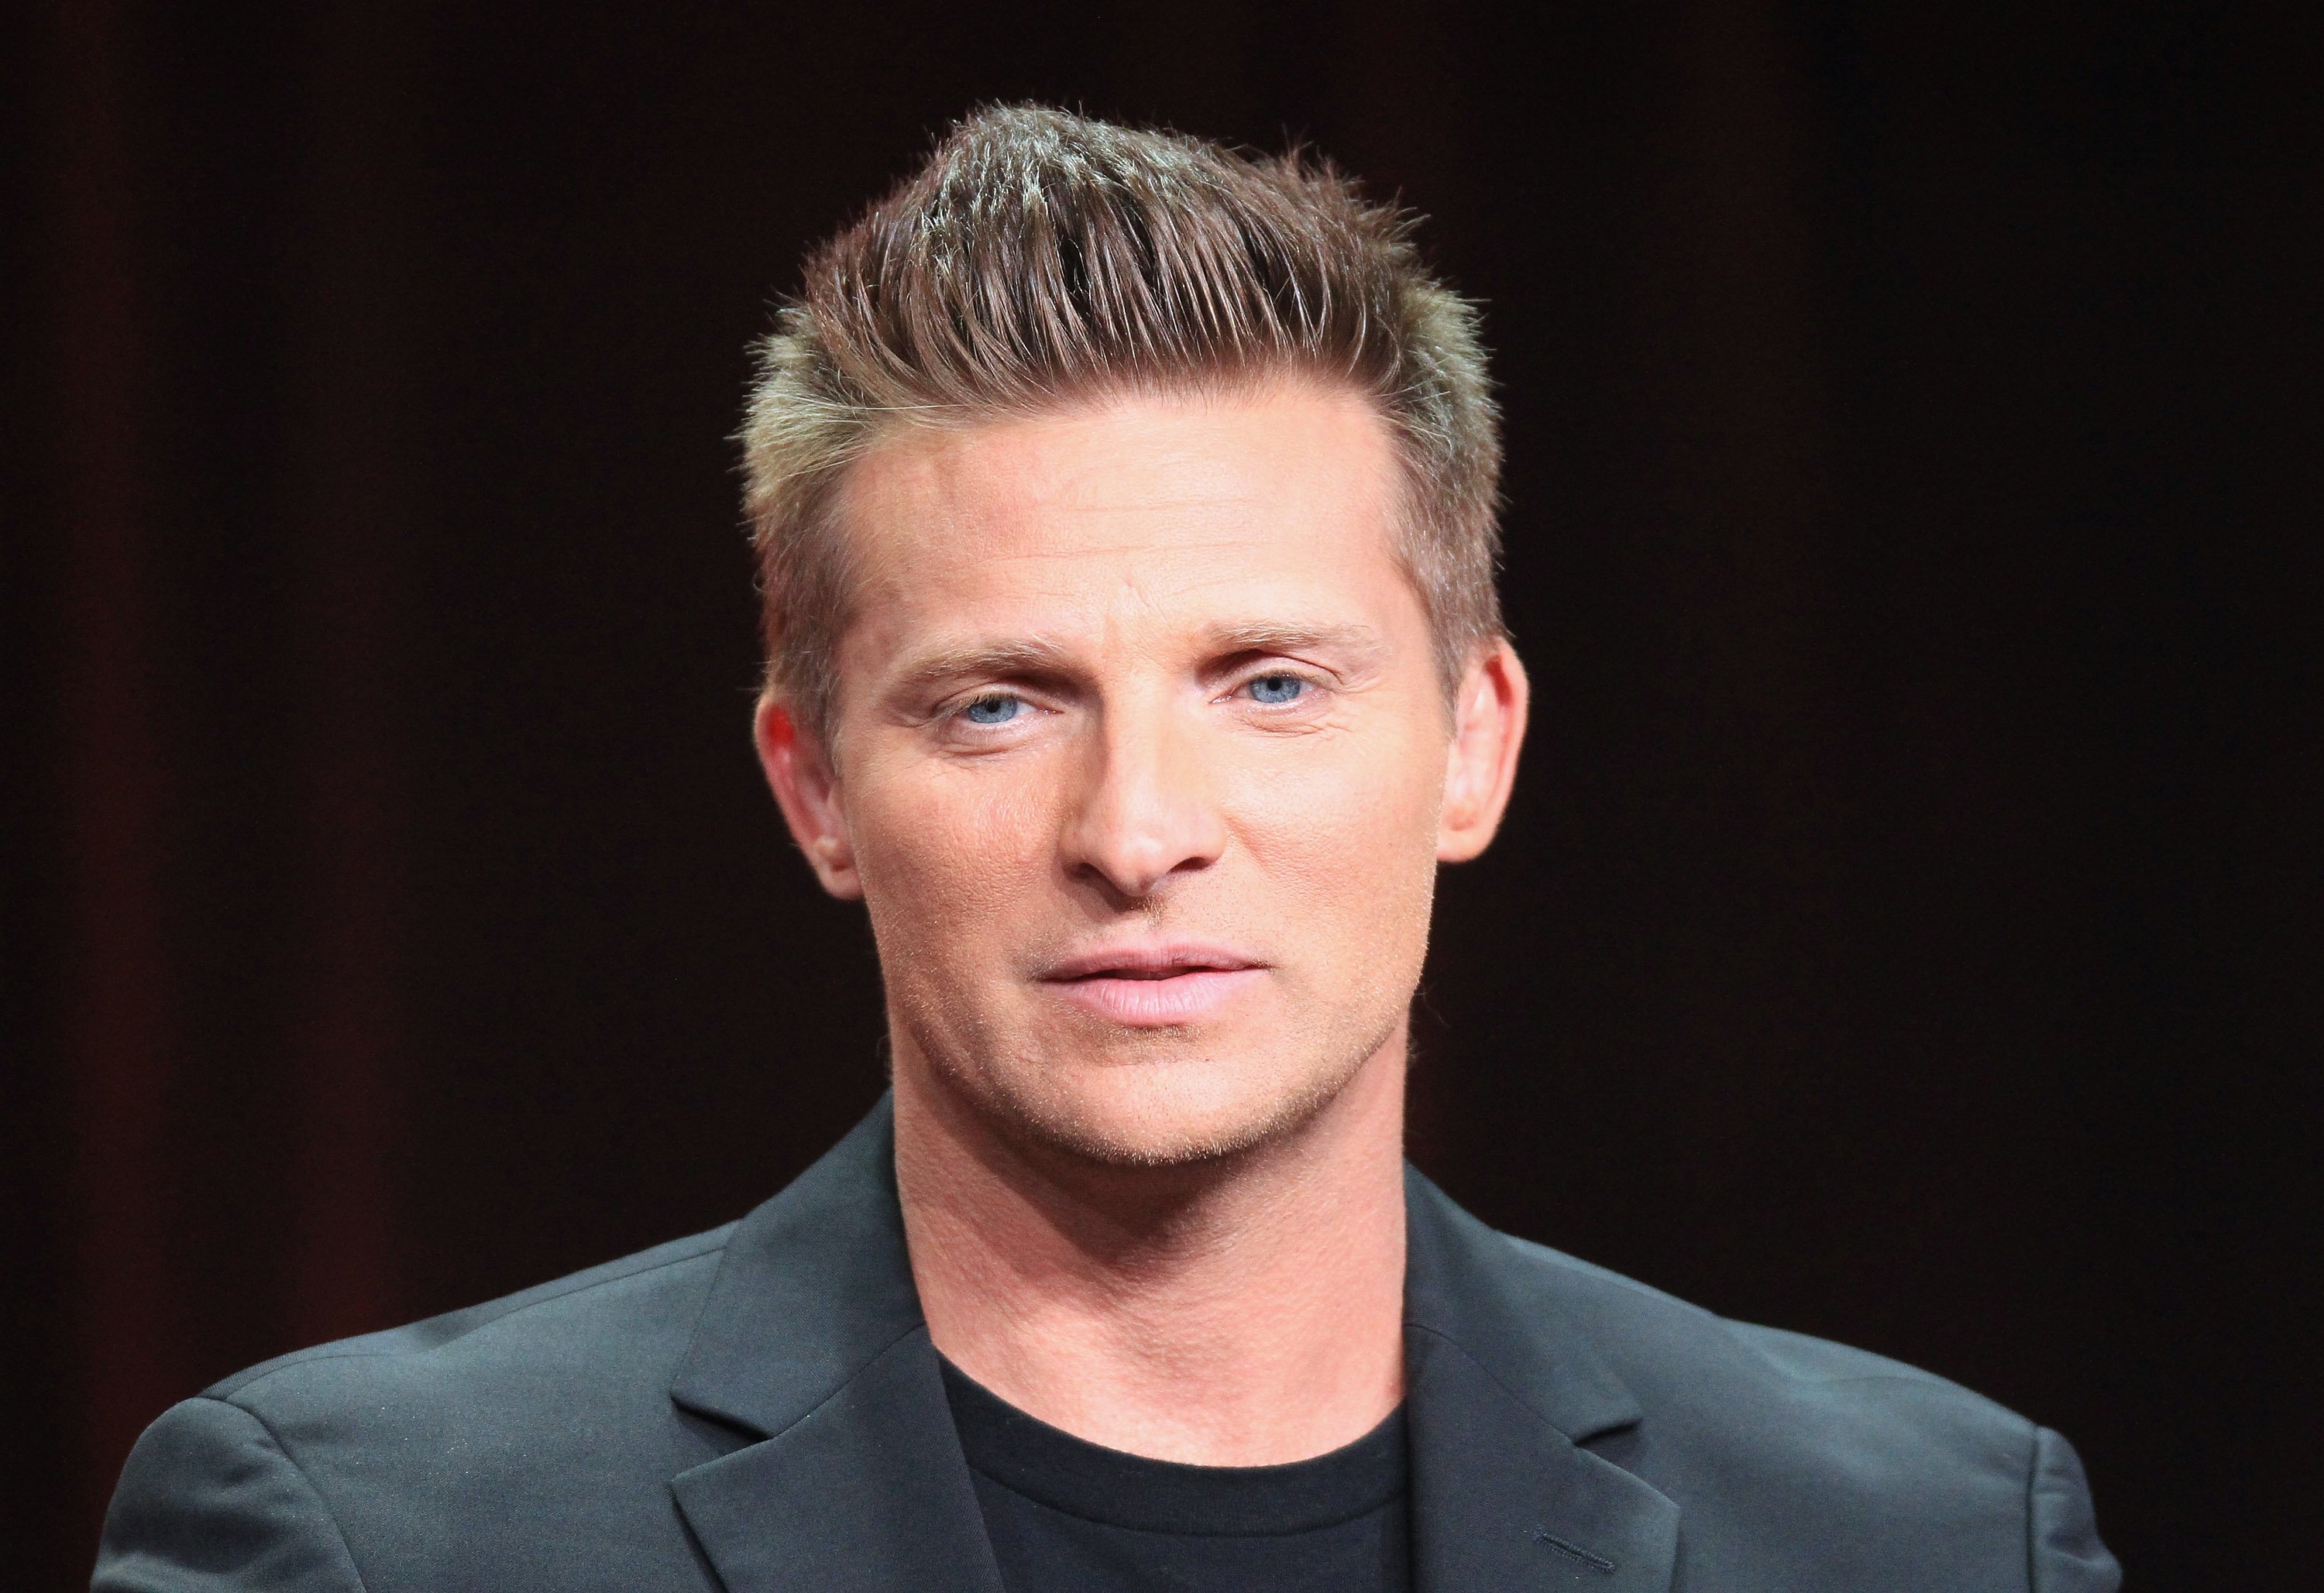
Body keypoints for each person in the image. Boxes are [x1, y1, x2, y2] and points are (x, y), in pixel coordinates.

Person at [93, 105, 2119, 1593]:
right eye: (999, 701)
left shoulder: (1925, 1537)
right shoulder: (373, 1540)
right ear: (813, 788)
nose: (1138, 831)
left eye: (1269, 684)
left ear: (1472, 745)